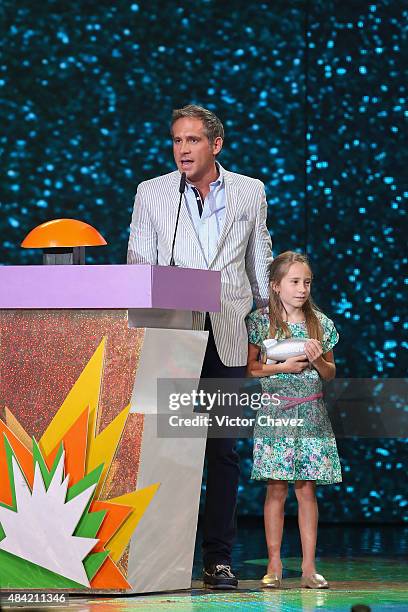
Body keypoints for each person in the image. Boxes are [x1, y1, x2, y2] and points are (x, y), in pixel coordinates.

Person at [127, 104, 272, 589]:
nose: (182, 150)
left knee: (224, 449)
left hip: (229, 332)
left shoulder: (250, 191)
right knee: (167, 446)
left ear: (216, 145)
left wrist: (273, 325)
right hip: (173, 332)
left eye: (191, 141)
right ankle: (157, 558)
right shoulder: (153, 193)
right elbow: (138, 261)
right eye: (176, 141)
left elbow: (260, 261)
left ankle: (218, 559)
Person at [246, 251, 342, 589]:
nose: (302, 288)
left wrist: (318, 361)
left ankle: (308, 567)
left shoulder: (320, 323)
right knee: (276, 488)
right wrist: (281, 367)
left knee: (306, 490)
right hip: (276, 413)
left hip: (311, 414)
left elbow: (330, 373)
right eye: (295, 281)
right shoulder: (260, 322)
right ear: (276, 285)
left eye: (306, 282)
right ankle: (274, 564)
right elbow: (252, 368)